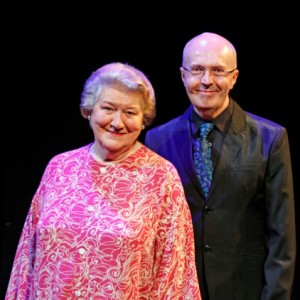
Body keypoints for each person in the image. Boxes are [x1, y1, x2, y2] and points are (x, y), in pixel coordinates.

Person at [5, 62, 201, 299]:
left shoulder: (160, 176)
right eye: (108, 108)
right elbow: (27, 260)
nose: (117, 122)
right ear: (89, 110)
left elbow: (176, 274)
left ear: (143, 119)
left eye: (130, 113)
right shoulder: (59, 167)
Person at [144, 32, 296, 300]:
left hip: (243, 291)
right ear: (183, 76)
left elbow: (281, 237)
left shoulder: (269, 139)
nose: (206, 81)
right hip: (178, 291)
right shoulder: (157, 140)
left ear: (234, 77)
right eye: (198, 70)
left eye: (217, 71)